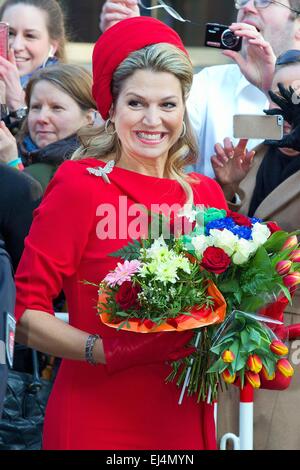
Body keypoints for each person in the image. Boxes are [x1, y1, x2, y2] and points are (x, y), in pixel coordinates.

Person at [14, 17, 230, 450]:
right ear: (110, 108)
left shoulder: (206, 194)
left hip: (184, 414)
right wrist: (106, 350)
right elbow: (26, 317)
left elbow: (226, 305)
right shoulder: (80, 184)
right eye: (136, 103)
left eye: (168, 104)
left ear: (184, 108)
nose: (153, 120)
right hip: (97, 415)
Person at [211, 50, 300, 450]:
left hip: (287, 342)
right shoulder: (254, 154)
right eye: (275, 98)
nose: (283, 109)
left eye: (295, 97)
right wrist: (227, 188)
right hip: (231, 336)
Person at [99, 0, 300, 177]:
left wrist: (270, 90)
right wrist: (133, 41)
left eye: (264, 0)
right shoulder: (210, 83)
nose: (247, 7)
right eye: (243, 0)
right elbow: (147, 129)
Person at [0, 64, 96, 191]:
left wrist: (12, 165)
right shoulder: (13, 148)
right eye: (36, 107)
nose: (41, 118)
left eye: (56, 108)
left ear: (88, 118)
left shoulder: (92, 169)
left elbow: (31, 209)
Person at [0, 0, 67, 126]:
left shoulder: (67, 94)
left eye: (30, 36)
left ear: (53, 46)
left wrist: (16, 104)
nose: (16, 46)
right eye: (9, 33)